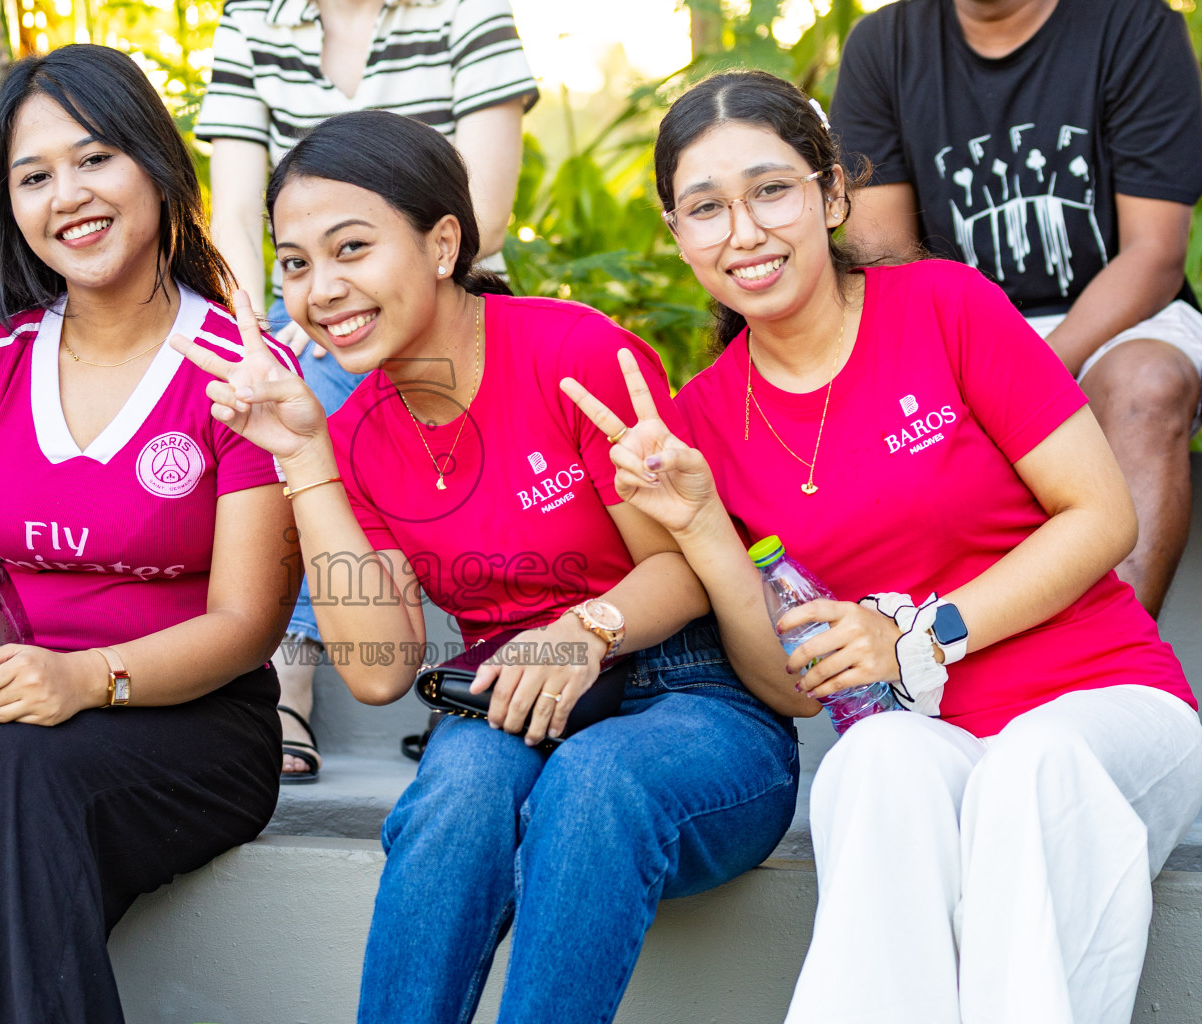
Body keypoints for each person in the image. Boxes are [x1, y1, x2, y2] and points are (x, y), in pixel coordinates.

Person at [563, 69, 1202, 1023]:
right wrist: (697, 528)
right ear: (677, 233)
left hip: (1100, 708)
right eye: (707, 208)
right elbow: (792, 689)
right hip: (934, 742)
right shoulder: (701, 424)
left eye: (771, 191)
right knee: (869, 763)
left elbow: (1102, 517)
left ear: (830, 195)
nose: (744, 231)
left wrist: (916, 636)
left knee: (1029, 767)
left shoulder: (943, 305)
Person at [171, 108, 804, 1023]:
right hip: (513, 698)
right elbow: (380, 672)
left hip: (693, 695)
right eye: (296, 264)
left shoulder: (572, 352)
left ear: (442, 244)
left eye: (352, 248)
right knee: (457, 794)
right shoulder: (352, 432)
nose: (322, 289)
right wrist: (307, 461)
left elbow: (685, 571)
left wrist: (584, 632)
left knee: (595, 782)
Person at [0, 45, 297, 1023]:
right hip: (7, 711)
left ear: (156, 165)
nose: (67, 195)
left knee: (23, 768)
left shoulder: (240, 370)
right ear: (12, 205)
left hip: (190, 716)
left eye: (95, 158)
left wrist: (85, 678)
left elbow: (246, 626)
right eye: (34, 176)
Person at [196, 0, 539, 779]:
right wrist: (265, 331)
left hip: (448, 285)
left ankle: (472, 652)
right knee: (274, 386)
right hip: (308, 303)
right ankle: (289, 666)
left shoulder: (466, 11)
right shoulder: (251, 22)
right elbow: (238, 216)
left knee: (329, 385)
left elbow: (482, 212)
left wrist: (362, 295)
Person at [827, 0, 1202, 617]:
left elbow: (1155, 255)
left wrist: (1025, 380)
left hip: (1117, 316)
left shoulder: (1135, 25)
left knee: (1147, 384)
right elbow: (885, 263)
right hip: (955, 325)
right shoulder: (883, 46)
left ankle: (1122, 653)